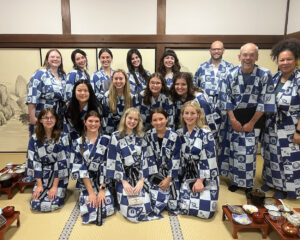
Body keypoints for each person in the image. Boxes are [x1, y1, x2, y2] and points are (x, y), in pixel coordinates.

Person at [217, 43, 275, 194]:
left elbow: (265, 100)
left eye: (251, 55)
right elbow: (225, 97)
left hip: (254, 117)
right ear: (239, 56)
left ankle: (248, 183)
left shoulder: (264, 74)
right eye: (245, 55)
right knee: (234, 150)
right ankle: (235, 180)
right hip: (234, 117)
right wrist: (233, 119)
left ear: (256, 57)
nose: (247, 58)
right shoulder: (230, 74)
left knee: (249, 152)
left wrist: (252, 122)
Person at [261, 39, 300, 199]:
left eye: (288, 59)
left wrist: (298, 131)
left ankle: (288, 189)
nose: (284, 63)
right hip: (272, 125)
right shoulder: (275, 77)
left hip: (291, 126)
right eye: (281, 59)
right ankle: (272, 183)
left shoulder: (298, 79)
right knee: (271, 156)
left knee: (289, 159)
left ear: (296, 59)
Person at [106, 107, 160, 222]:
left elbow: (147, 158)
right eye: (130, 118)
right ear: (125, 118)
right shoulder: (115, 136)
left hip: (140, 175)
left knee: (144, 203)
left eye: (135, 119)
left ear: (139, 121)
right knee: (130, 207)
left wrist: (141, 180)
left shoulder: (142, 136)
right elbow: (113, 161)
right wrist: (124, 182)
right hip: (123, 177)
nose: (132, 121)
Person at [176, 101, 219, 219]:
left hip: (203, 173)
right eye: (186, 113)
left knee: (206, 212)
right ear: (182, 115)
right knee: (178, 206)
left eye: (192, 113)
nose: (189, 116)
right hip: (185, 172)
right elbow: (177, 157)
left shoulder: (206, 134)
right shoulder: (179, 133)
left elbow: (209, 159)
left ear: (198, 114)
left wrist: (200, 180)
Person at [71, 110, 114, 225]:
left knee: (108, 207)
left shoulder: (107, 140)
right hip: (86, 181)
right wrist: (91, 192)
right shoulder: (77, 143)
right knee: (90, 206)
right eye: (90, 121)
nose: (93, 124)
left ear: (100, 123)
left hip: (103, 180)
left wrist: (102, 189)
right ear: (85, 122)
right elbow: (80, 168)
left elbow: (107, 164)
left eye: (96, 121)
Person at [26, 108, 70, 212]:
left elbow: (62, 162)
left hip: (59, 175)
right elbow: (34, 162)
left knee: (53, 203)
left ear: (56, 120)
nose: (49, 120)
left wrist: (54, 187)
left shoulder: (63, 137)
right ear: (40, 120)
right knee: (35, 203)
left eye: (52, 117)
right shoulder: (34, 139)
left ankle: (60, 189)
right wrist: (39, 185)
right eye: (46, 118)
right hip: (42, 173)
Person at [145, 108, 181, 215]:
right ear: (151, 122)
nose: (158, 122)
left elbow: (176, 158)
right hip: (154, 172)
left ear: (167, 119)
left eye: (161, 119)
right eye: (155, 120)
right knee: (153, 203)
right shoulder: (148, 135)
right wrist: (155, 176)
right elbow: (148, 157)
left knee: (174, 205)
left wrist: (168, 179)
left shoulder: (174, 136)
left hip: (171, 173)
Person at [26, 49, 66, 134]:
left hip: (58, 115)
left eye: (58, 57)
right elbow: (32, 96)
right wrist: (32, 117)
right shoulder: (40, 73)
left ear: (61, 60)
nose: (55, 59)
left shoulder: (63, 75)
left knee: (56, 142)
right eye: (52, 57)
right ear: (47, 59)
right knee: (41, 142)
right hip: (43, 115)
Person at [170, 72, 221, 138]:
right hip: (185, 133)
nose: (180, 87)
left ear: (189, 85)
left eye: (183, 84)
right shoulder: (175, 97)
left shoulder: (200, 100)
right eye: (177, 84)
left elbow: (210, 121)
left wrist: (210, 139)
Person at [193, 41, 233, 105]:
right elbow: (194, 86)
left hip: (224, 105)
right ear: (210, 51)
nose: (216, 51)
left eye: (219, 49)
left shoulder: (230, 67)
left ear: (223, 50)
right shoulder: (202, 67)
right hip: (205, 105)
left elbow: (233, 88)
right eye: (214, 49)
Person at [102, 69, 134, 134]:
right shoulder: (107, 96)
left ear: (125, 80)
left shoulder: (132, 97)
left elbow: (132, 117)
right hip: (110, 129)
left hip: (127, 129)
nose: (118, 81)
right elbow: (106, 118)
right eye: (116, 79)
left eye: (121, 79)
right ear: (112, 80)